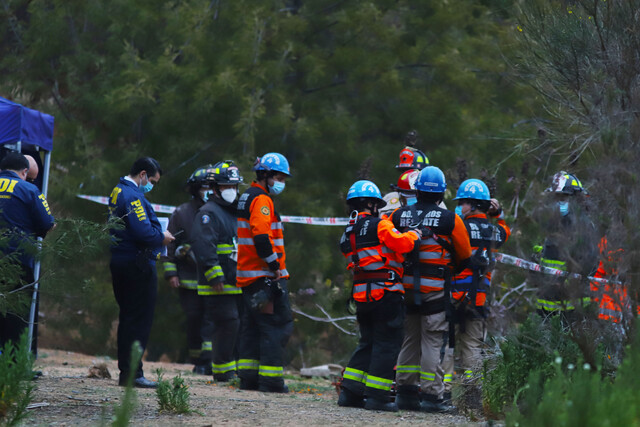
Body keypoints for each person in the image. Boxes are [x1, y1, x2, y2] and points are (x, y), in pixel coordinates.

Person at [389, 166, 471, 412]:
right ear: (442, 193)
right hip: (435, 290)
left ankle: (405, 392)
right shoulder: (450, 220)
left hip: (405, 290)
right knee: (433, 341)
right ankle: (432, 397)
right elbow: (465, 255)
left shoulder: (398, 215)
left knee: (409, 339)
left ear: (417, 190)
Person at [337, 180, 421, 412]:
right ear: (372, 204)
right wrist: (414, 234)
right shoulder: (380, 225)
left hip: (362, 296)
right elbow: (402, 245)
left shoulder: (348, 232)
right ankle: (378, 397)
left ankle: (350, 393)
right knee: (387, 344)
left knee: (368, 343)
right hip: (386, 293)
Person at [108, 157, 174, 388]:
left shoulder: (119, 190)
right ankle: (132, 373)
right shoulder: (132, 195)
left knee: (128, 318)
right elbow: (142, 231)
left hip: (122, 260)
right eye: (152, 181)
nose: (152, 186)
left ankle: (129, 371)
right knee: (138, 320)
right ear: (143, 174)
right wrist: (162, 237)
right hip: (136, 264)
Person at [235, 152, 293, 393]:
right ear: (267, 175)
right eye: (279, 177)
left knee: (251, 326)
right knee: (274, 326)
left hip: (248, 275)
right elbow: (261, 236)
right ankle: (270, 381)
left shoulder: (245, 196)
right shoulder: (261, 200)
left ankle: (248, 378)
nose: (282, 182)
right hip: (263, 276)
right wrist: (275, 266)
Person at [447, 179, 511, 384]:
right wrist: (498, 214)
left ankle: (443, 390)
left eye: (463, 202)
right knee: (473, 345)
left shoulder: (460, 227)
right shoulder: (494, 231)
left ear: (473, 204)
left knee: (446, 343)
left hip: (454, 295)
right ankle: (472, 391)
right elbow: (505, 231)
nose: (460, 206)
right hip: (479, 298)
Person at [191, 160, 243, 382]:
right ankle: (223, 371)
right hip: (218, 284)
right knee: (228, 323)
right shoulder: (208, 213)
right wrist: (215, 275)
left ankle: (231, 370)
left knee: (236, 325)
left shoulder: (233, 212)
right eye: (226, 187)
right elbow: (204, 247)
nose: (231, 191)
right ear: (215, 189)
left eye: (234, 186)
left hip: (236, 281)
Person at [0, 152, 55, 354]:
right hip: (18, 261)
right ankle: (12, 368)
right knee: (15, 316)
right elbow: (47, 224)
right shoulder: (30, 189)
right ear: (24, 172)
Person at [161, 165, 212, 374]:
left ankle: (211, 360)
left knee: (212, 320)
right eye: (205, 187)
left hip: (213, 278)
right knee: (194, 319)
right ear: (196, 188)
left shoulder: (218, 212)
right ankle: (198, 360)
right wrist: (171, 273)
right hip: (189, 280)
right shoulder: (182, 213)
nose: (209, 190)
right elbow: (169, 245)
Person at [533, 171, 596, 317]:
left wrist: (569, 281)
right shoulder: (552, 222)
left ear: (575, 199)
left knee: (569, 338)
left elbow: (590, 260)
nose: (558, 201)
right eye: (556, 197)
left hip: (571, 304)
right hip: (546, 300)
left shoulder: (582, 225)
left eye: (563, 197)